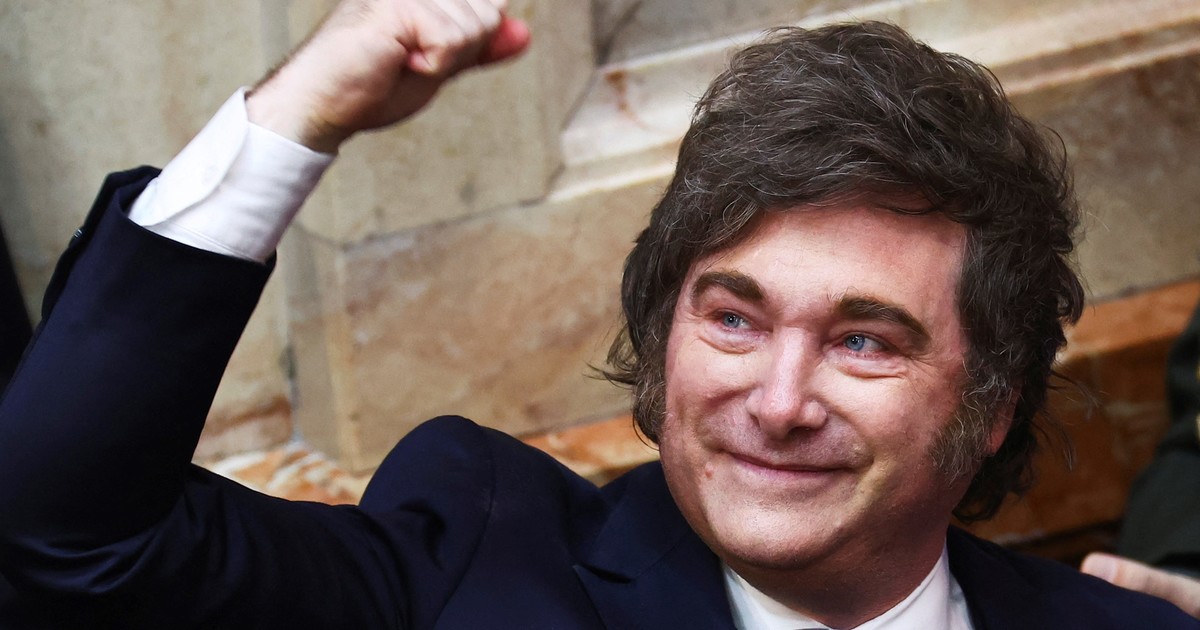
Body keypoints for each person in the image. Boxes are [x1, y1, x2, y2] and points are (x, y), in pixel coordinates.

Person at [0, 0, 1195, 627]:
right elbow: (67, 538)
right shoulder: (477, 565)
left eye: (863, 341)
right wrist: (298, 114)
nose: (778, 402)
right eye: (733, 320)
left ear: (991, 403)